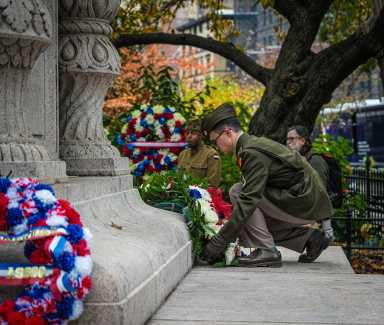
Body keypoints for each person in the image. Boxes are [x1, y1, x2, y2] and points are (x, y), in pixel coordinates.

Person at [200, 103, 333, 267]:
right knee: (253, 226)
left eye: (215, 140)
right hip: (306, 198)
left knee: (238, 192)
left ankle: (267, 250)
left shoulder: (250, 152)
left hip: (305, 199)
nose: (216, 147)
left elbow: (248, 201)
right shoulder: (249, 146)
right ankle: (310, 239)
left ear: (228, 132)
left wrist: (218, 242)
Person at [286, 125, 334, 239]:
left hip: (313, 216)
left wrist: (326, 228)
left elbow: (321, 192)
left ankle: (326, 234)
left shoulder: (315, 161)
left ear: (302, 141)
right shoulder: (297, 159)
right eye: (287, 139)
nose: (288, 142)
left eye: (292, 138)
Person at [178, 119, 221, 187]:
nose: (189, 136)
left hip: (202, 195)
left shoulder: (211, 154)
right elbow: (178, 179)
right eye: (187, 133)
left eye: (193, 133)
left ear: (201, 135)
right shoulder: (182, 154)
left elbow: (213, 183)